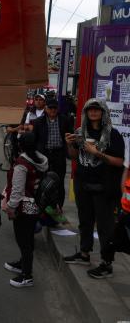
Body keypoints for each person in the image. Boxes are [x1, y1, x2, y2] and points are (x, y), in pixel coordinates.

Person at [64, 98, 124, 279]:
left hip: (104, 187)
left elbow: (119, 162)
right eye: (90, 110)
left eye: (97, 110)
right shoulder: (80, 133)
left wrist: (97, 153)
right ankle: (84, 254)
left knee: (105, 226)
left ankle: (107, 263)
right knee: (85, 220)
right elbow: (73, 156)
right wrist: (69, 143)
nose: (93, 113)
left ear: (103, 112)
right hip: (83, 184)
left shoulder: (113, 135)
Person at [3, 132, 48, 288]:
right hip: (34, 205)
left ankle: (27, 275)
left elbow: (17, 191)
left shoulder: (22, 164)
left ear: (20, 145)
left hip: (23, 207)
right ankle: (22, 263)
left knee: (24, 241)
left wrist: (10, 208)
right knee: (27, 239)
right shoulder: (40, 159)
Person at [31, 98, 73, 209]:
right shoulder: (38, 122)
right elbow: (34, 140)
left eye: (55, 108)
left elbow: (70, 136)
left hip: (59, 154)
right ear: (46, 108)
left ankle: (58, 207)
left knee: (59, 181)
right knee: (43, 180)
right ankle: (43, 206)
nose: (53, 110)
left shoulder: (65, 120)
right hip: (44, 155)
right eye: (50, 108)